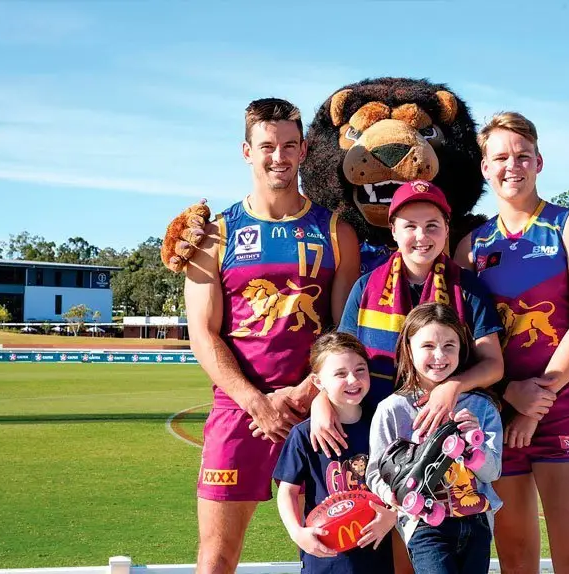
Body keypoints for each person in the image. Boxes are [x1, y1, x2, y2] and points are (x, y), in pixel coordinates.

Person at [184, 97, 361, 574]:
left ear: (304, 150)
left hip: (318, 409)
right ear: (246, 151)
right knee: (216, 559)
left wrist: (309, 390)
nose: (278, 157)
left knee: (336, 546)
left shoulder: (335, 228)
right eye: (267, 146)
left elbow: (346, 328)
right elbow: (202, 332)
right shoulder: (214, 234)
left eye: (288, 146)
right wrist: (254, 401)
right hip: (239, 411)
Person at [311, 180, 505, 572]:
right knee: (378, 559)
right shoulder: (367, 287)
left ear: (447, 231)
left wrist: (450, 388)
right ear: (394, 229)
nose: (422, 236)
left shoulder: (467, 287)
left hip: (448, 441)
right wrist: (320, 399)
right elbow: (340, 358)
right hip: (378, 436)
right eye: (410, 225)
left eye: (432, 225)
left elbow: (493, 364)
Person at [454, 111, 569, 574]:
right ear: (485, 167)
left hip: (565, 407)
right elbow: (462, 345)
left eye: (522, 155)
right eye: (500, 156)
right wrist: (508, 398)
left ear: (539, 161)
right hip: (499, 413)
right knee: (515, 558)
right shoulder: (471, 247)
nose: (511, 165)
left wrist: (535, 400)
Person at [366, 302, 503, 574]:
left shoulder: (482, 407)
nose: (439, 355)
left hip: (476, 521)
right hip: (424, 524)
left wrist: (472, 447)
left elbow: (492, 473)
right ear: (409, 348)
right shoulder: (392, 409)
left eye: (449, 345)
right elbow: (374, 473)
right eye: (427, 346)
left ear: (461, 349)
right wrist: (396, 495)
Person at [273, 332, 396, 573]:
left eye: (360, 370)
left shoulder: (382, 426)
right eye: (340, 374)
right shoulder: (303, 435)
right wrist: (297, 532)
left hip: (378, 554)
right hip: (326, 558)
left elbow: (402, 482)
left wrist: (392, 516)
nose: (353, 379)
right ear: (318, 382)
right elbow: (287, 491)